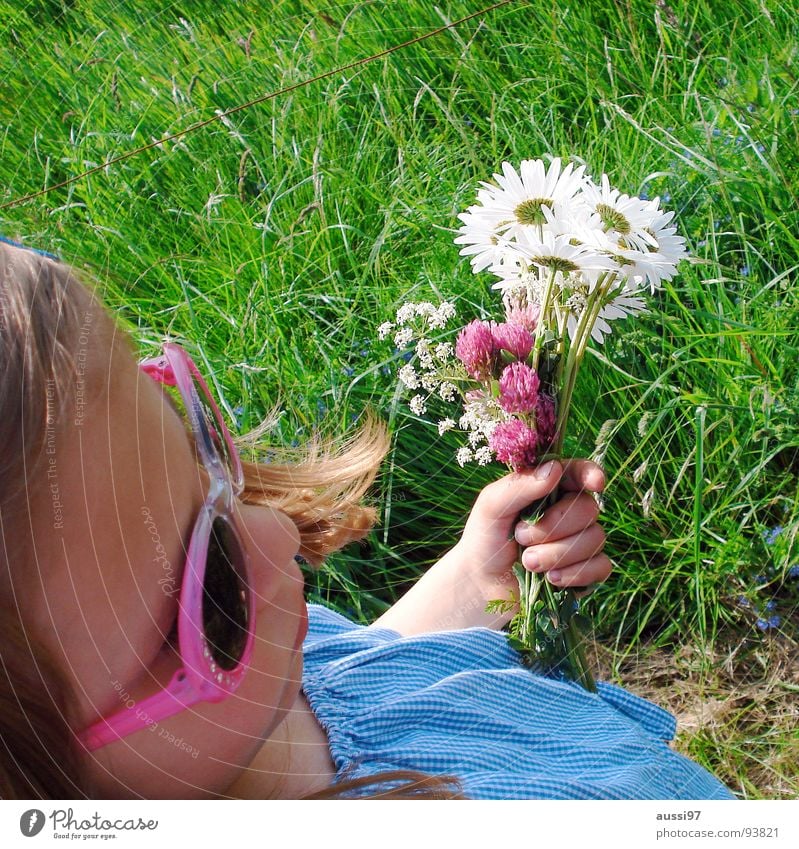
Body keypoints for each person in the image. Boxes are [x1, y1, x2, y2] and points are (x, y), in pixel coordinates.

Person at [0, 238, 734, 800]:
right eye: (211, 597)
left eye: (202, 446)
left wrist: (472, 583)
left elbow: (362, 672)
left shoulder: (272, 665)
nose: (275, 534)